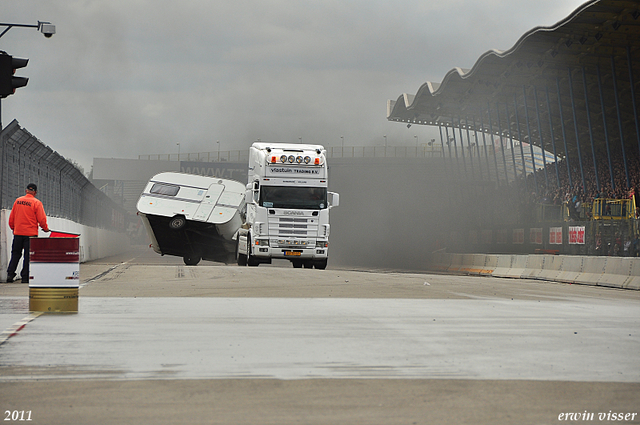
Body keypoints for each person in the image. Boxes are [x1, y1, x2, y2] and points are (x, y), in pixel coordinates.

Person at [6, 183, 50, 283]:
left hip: (18, 233)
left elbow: (11, 218)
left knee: (15, 254)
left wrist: (14, 228)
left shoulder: (18, 201)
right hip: (30, 234)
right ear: (35, 192)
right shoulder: (37, 203)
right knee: (28, 256)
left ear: (26, 191)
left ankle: (10, 274)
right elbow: (41, 218)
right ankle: (25, 277)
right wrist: (45, 228)